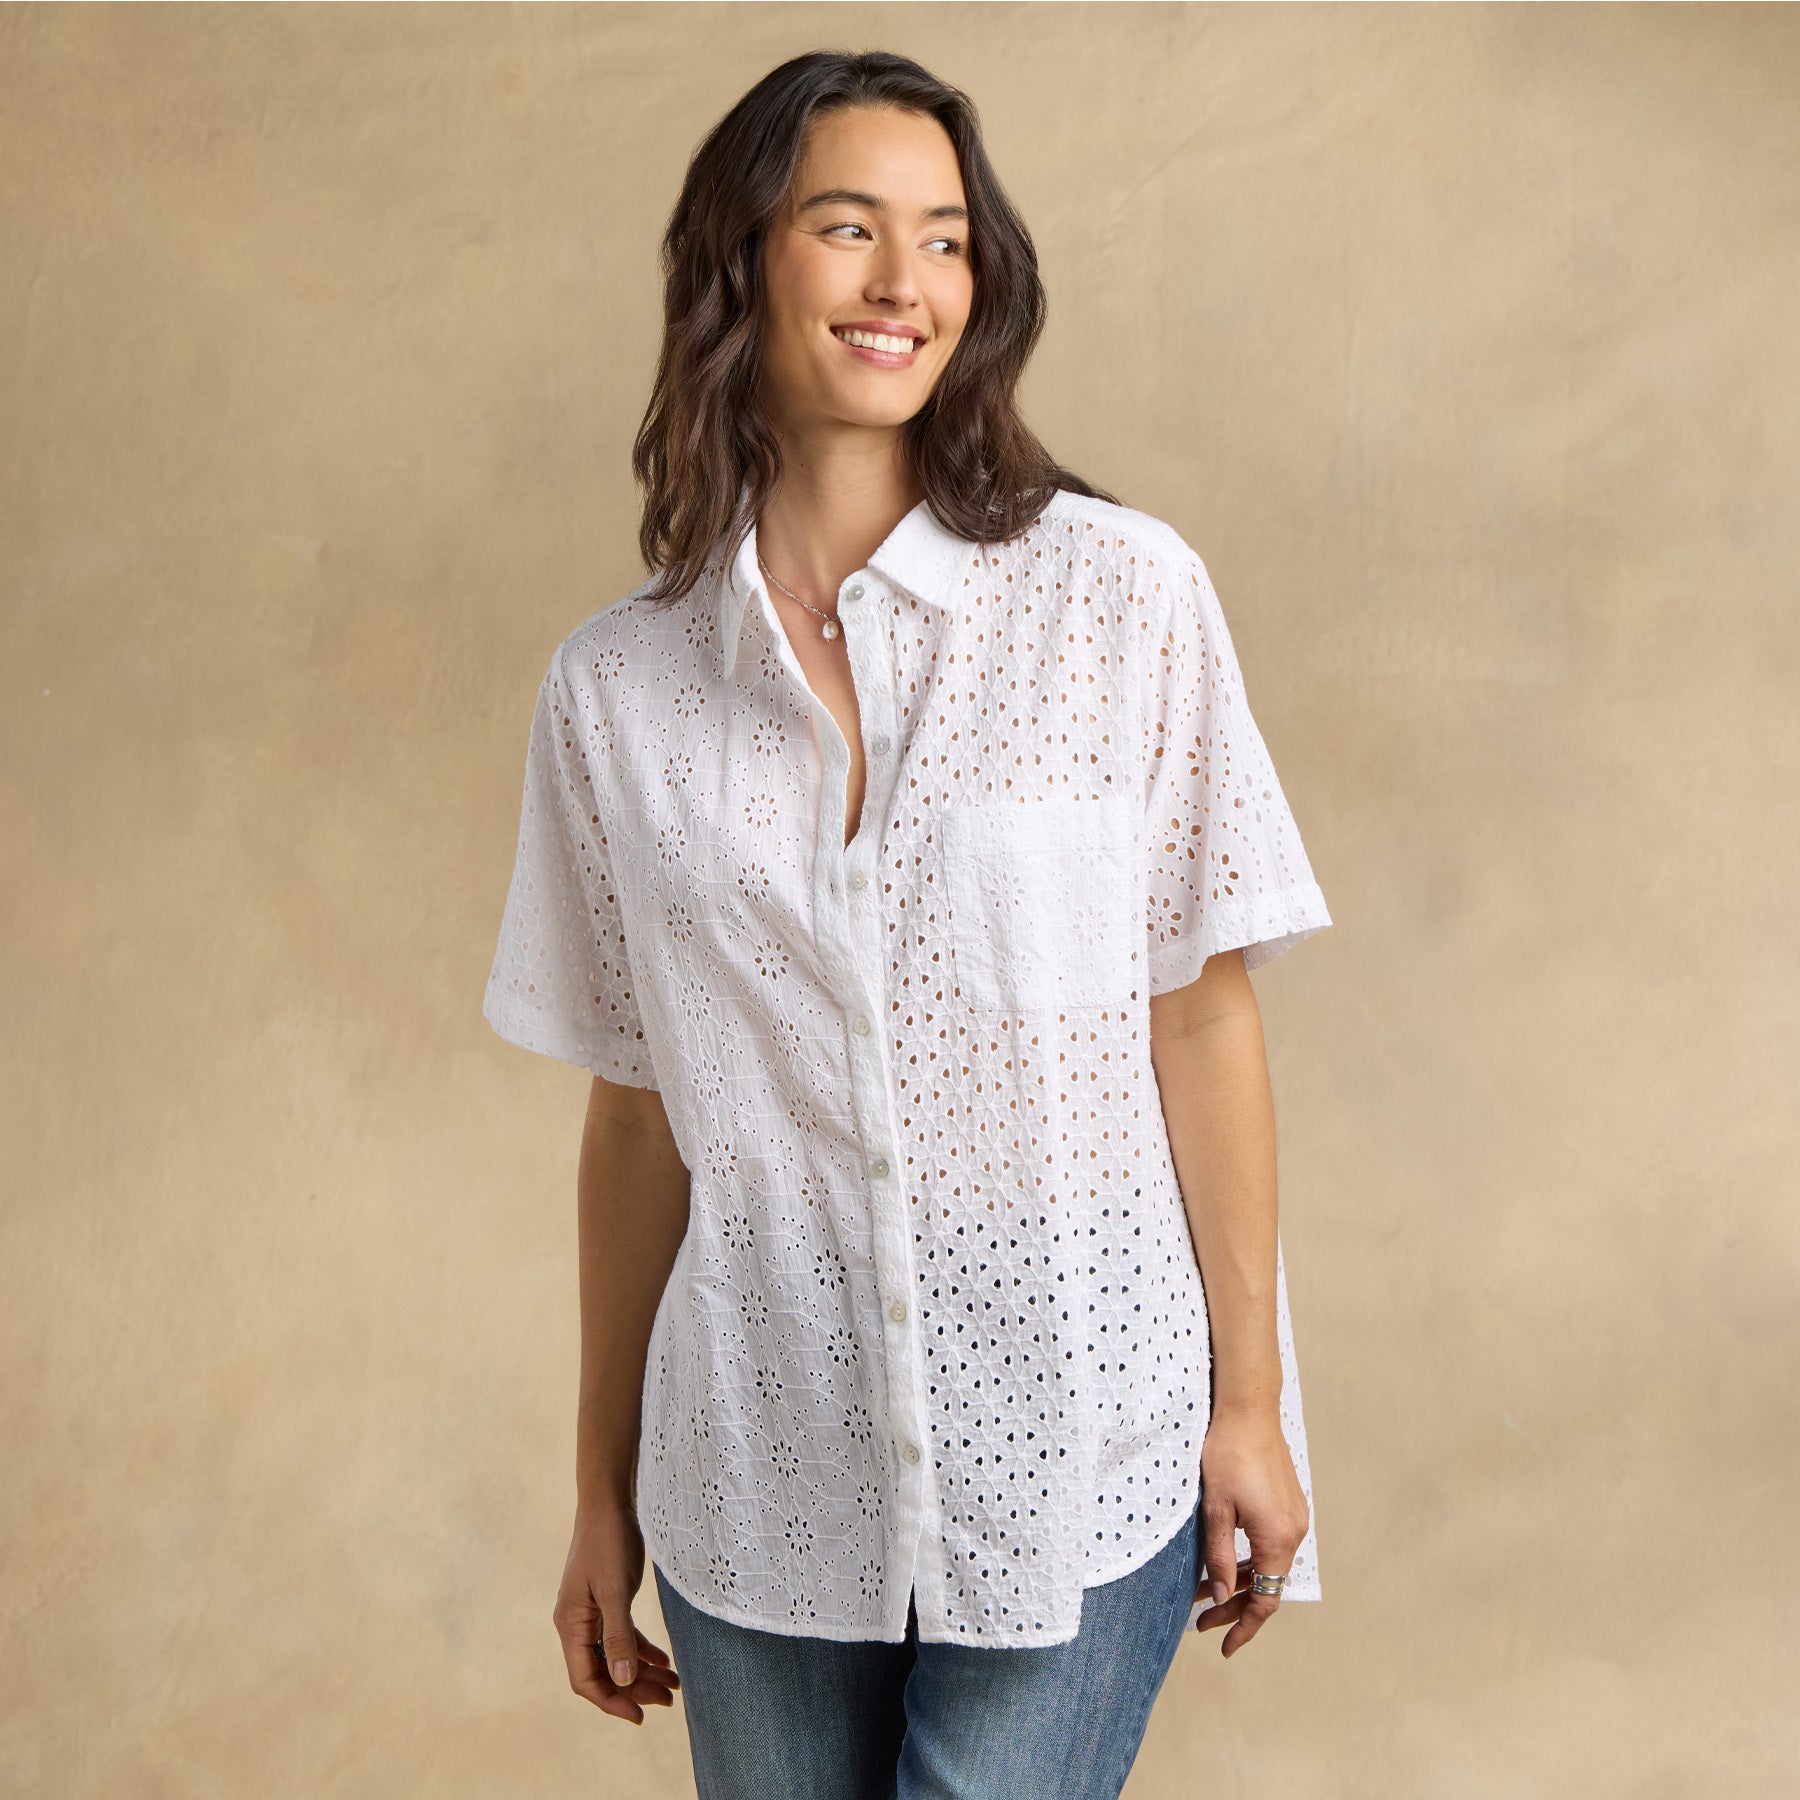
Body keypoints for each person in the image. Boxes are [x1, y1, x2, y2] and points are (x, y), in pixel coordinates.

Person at [482, 48, 1332, 1800]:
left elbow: (1198, 1012)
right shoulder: (616, 691)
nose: (905, 285)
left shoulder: (1122, 601)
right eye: (849, 227)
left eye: (945, 239)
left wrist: (1249, 1403)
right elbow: (639, 1112)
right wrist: (598, 1489)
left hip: (1082, 1441)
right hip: (759, 1471)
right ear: (739, 259)